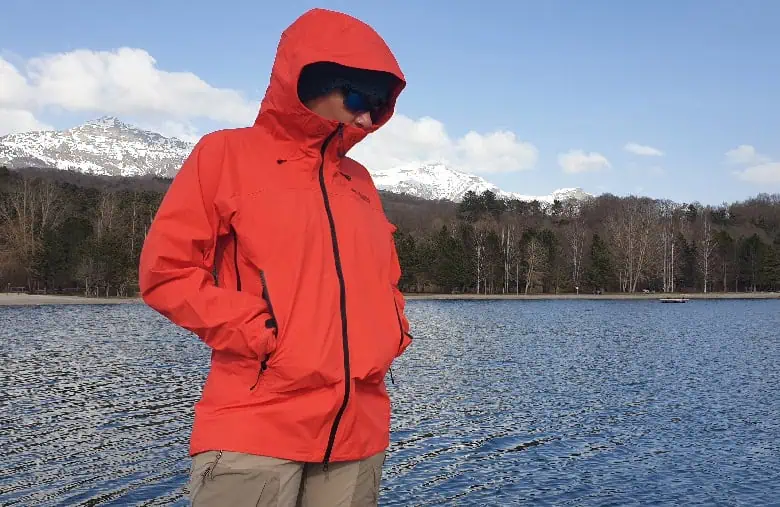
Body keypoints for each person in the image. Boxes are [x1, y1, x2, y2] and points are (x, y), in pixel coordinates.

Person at [138, 7, 413, 507]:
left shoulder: (359, 181)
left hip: (358, 432)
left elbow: (386, 280)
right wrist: (264, 334)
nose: (367, 118)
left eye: (378, 106)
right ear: (309, 83)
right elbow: (167, 273)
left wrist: (392, 331)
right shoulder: (225, 154)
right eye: (358, 99)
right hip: (256, 425)